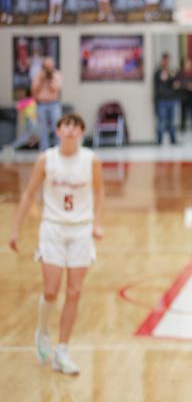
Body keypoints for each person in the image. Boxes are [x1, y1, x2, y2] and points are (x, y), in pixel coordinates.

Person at [8, 114, 105, 376]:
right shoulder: (46, 159)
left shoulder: (91, 160)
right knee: (51, 291)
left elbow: (99, 191)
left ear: (82, 132)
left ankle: (62, 350)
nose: (71, 130)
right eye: (66, 125)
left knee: (74, 291)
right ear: (58, 131)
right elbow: (29, 194)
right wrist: (15, 229)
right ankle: (43, 329)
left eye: (76, 126)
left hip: (81, 230)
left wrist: (97, 223)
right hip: (52, 228)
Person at [31, 58, 62, 150]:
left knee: (57, 126)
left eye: (50, 67)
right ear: (43, 67)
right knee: (42, 129)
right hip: (41, 105)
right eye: (46, 67)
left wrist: (50, 80)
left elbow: (56, 89)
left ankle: (59, 149)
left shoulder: (57, 74)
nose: (48, 69)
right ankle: (44, 150)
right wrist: (41, 80)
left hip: (54, 105)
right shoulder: (38, 75)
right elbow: (34, 90)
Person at [153, 53, 179, 145]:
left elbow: (175, 84)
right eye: (164, 60)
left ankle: (173, 139)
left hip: (171, 99)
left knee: (171, 121)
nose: (166, 62)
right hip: (162, 100)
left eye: (167, 60)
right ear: (162, 61)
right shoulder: (158, 72)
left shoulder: (171, 71)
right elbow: (157, 86)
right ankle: (159, 140)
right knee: (161, 121)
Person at [176, 58, 192, 133]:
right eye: (186, 64)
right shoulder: (180, 74)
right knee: (183, 112)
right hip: (183, 95)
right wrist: (187, 85)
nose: (187, 66)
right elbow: (176, 85)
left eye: (189, 64)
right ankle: (182, 128)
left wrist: (189, 86)